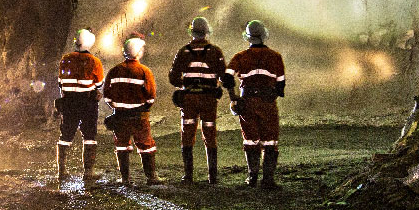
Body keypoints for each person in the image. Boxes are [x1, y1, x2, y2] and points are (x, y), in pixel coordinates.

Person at [168, 16, 231, 184]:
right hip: (209, 99)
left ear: (192, 32)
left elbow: (173, 77)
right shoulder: (215, 51)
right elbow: (224, 76)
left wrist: (185, 84)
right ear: (206, 33)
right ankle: (213, 176)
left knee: (187, 134)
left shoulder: (183, 51)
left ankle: (188, 176)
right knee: (210, 134)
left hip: (189, 99)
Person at [226, 20, 285, 188]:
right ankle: (268, 179)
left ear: (248, 37)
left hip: (247, 102)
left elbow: (227, 77)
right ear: (264, 36)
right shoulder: (276, 57)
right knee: (270, 141)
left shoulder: (240, 57)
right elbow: (280, 85)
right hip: (268, 102)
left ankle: (251, 177)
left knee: (250, 140)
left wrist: (234, 98)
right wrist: (271, 93)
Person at [103, 35, 160, 185]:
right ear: (138, 52)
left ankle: (125, 179)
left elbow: (107, 96)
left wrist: (116, 107)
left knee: (121, 145)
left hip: (120, 116)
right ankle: (151, 177)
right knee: (146, 146)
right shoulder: (144, 71)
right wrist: (143, 108)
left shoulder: (114, 71)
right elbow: (151, 97)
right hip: (139, 116)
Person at [55, 28, 105, 180]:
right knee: (89, 136)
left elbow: (60, 82)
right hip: (87, 103)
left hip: (69, 101)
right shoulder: (94, 62)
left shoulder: (65, 59)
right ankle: (88, 173)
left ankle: (62, 171)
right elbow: (99, 83)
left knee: (65, 136)